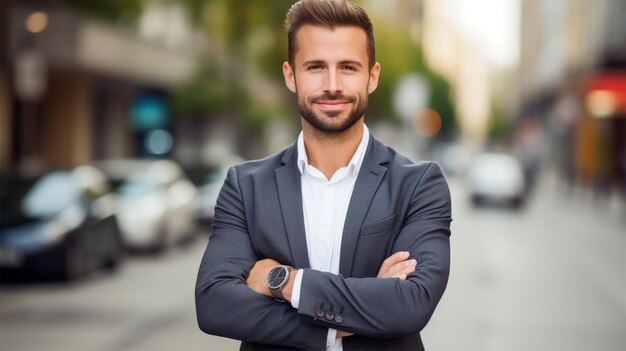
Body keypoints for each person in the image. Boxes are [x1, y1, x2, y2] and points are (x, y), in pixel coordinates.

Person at [195, 1, 452, 350]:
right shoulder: (246, 186)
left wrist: (283, 281)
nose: (332, 85)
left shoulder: (418, 185)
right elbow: (214, 304)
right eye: (316, 67)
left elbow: (411, 304)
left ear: (372, 76)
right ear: (290, 75)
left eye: (348, 67)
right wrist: (347, 318)